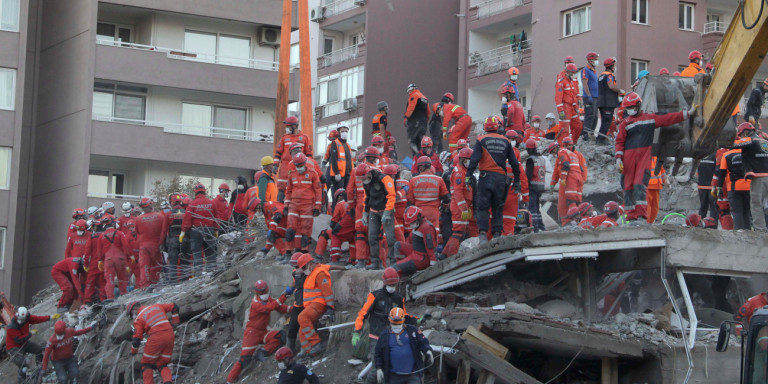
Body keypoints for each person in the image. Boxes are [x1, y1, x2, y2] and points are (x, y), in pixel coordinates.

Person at [615, 92, 692, 224]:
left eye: (631, 107)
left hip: (643, 157)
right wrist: (618, 157)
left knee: (639, 184)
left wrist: (687, 114)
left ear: (639, 105)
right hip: (628, 158)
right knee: (627, 187)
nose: (630, 111)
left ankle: (641, 216)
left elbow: (668, 118)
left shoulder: (649, 119)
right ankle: (631, 216)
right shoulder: (625, 123)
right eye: (627, 108)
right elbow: (619, 141)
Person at [354, 268, 417, 384]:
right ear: (385, 282)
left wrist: (416, 320)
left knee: (390, 368)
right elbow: (363, 313)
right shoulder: (375, 296)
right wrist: (357, 331)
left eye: (394, 284)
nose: (392, 286)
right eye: (390, 284)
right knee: (376, 368)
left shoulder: (398, 298)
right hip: (376, 338)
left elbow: (404, 315)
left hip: (391, 338)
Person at [467, 116, 521, 242]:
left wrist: (468, 175)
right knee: (498, 207)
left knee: (483, 206)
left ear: (485, 127)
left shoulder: (481, 140)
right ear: (497, 127)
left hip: (486, 177)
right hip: (500, 179)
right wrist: (517, 179)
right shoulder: (506, 141)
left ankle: (482, 234)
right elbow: (514, 163)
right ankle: (497, 234)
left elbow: (474, 159)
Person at [226, 280, 289, 384]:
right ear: (257, 292)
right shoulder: (256, 303)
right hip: (252, 334)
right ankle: (229, 381)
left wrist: (291, 308)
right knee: (244, 359)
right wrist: (284, 296)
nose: (264, 294)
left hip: (263, 331)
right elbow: (271, 307)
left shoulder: (267, 298)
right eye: (262, 292)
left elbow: (278, 306)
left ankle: (263, 352)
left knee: (279, 336)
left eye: (265, 291)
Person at [374, 308, 433, 384]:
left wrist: (428, 351)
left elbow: (423, 342)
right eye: (394, 324)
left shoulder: (412, 331)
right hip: (393, 376)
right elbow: (378, 353)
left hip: (412, 374)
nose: (396, 326)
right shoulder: (384, 335)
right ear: (389, 320)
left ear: (403, 320)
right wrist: (379, 368)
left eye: (399, 324)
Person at [127, 301, 180, 384]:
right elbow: (175, 306)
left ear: (134, 310)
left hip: (156, 337)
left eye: (131, 315)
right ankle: (168, 382)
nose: (133, 317)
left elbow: (136, 340)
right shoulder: (157, 306)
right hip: (170, 335)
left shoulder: (139, 318)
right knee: (162, 363)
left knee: (146, 364)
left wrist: (133, 351)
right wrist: (175, 323)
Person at [730, 122, 768, 231]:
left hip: (758, 178)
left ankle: (760, 229)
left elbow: (733, 145)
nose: (741, 137)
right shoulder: (765, 142)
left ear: (746, 132)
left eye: (741, 135)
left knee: (756, 204)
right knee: (766, 205)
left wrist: (719, 142)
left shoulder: (749, 140)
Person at [297, 254, 335, 357]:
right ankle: (308, 351)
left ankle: (316, 344)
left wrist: (330, 308)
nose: (304, 270)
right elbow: (332, 266)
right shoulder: (312, 273)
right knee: (302, 329)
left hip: (319, 304)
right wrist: (344, 267)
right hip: (311, 305)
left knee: (302, 317)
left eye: (304, 267)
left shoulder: (319, 273)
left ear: (310, 263)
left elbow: (327, 291)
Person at [6, 307, 60, 378]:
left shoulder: (27, 318)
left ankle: (39, 368)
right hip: (13, 348)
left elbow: (37, 319)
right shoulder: (11, 327)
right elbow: (18, 339)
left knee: (39, 350)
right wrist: (30, 333)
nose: (22, 321)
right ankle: (22, 379)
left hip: (24, 343)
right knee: (23, 365)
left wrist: (50, 317)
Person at [284, 153, 323, 254]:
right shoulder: (292, 174)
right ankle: (288, 252)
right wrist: (286, 206)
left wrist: (317, 206)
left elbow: (318, 190)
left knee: (306, 230)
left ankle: (305, 253)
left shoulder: (313, 174)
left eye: (301, 165)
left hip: (307, 205)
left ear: (305, 163)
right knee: (290, 230)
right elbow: (288, 191)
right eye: (297, 166)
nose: (299, 168)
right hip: (294, 204)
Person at [408, 156, 450, 246]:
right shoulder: (439, 179)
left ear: (421, 167)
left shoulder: (413, 180)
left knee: (419, 234)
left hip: (419, 213)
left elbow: (410, 200)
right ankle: (434, 254)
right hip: (433, 212)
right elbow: (446, 197)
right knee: (434, 233)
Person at [181, 183, 221, 276]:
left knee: (197, 252)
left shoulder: (192, 204)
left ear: (195, 192)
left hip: (196, 231)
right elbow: (216, 217)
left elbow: (187, 219)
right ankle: (212, 272)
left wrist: (183, 232)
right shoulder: (211, 203)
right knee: (210, 252)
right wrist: (216, 230)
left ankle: (198, 274)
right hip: (209, 230)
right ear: (204, 191)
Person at [443, 148, 476, 257]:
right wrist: (464, 209)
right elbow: (457, 192)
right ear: (461, 159)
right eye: (468, 159)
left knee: (463, 231)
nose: (470, 161)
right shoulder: (459, 172)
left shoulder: (464, 171)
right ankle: (451, 256)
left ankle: (444, 255)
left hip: (463, 205)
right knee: (458, 232)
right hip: (459, 206)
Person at [363, 167, 397, 269]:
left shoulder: (384, 178)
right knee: (372, 237)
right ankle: (375, 263)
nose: (362, 180)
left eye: (363, 177)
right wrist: (365, 213)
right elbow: (367, 198)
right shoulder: (366, 182)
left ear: (369, 173)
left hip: (385, 210)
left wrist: (387, 212)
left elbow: (391, 195)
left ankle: (393, 263)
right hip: (373, 211)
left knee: (390, 239)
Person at [391, 206, 437, 276]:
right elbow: (409, 240)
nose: (411, 224)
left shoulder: (426, 228)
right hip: (415, 253)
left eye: (412, 222)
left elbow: (430, 246)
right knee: (398, 245)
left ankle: (402, 272)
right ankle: (404, 268)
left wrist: (433, 263)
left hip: (422, 259)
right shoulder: (418, 226)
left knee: (395, 268)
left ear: (419, 217)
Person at [95, 215, 131, 301]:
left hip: (108, 260)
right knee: (122, 278)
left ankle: (110, 298)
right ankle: (123, 295)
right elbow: (126, 246)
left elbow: (99, 251)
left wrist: (100, 261)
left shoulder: (101, 236)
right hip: (120, 259)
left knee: (109, 280)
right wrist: (128, 258)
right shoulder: (120, 233)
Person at [276, 116, 312, 198]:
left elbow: (309, 155)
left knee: (297, 185)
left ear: (294, 126)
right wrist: (275, 165)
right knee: (281, 189)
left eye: (288, 126)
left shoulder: (304, 138)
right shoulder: (284, 138)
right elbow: (278, 152)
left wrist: (309, 167)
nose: (287, 128)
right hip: (285, 166)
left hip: (298, 166)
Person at [135, 197, 168, 288]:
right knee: (156, 265)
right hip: (156, 245)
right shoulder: (160, 216)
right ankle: (154, 283)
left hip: (143, 246)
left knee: (144, 266)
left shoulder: (138, 219)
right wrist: (161, 243)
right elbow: (164, 231)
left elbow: (137, 232)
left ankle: (145, 285)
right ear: (150, 204)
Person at [550, 138, 582, 226]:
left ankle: (572, 221)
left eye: (552, 153)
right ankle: (579, 220)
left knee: (570, 201)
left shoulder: (561, 152)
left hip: (570, 178)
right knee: (576, 201)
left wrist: (563, 178)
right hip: (578, 179)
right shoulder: (573, 154)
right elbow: (556, 172)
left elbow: (565, 165)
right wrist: (553, 183)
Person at [502, 130, 529, 235]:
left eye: (514, 139)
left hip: (500, 192)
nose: (512, 141)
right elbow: (521, 175)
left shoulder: (499, 152)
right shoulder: (515, 153)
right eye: (511, 139)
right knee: (509, 223)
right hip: (511, 192)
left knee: (495, 222)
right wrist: (526, 197)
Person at [348, 164, 372, 268]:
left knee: (360, 233)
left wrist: (352, 207)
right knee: (375, 234)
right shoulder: (376, 170)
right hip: (373, 204)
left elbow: (349, 191)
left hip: (359, 206)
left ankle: (361, 262)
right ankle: (375, 262)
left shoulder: (354, 171)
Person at [596, 57, 623, 145]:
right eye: (614, 65)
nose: (615, 67)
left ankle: (600, 138)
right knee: (607, 121)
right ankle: (601, 139)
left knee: (604, 121)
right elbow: (611, 86)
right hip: (608, 102)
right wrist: (620, 90)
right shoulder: (609, 76)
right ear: (611, 66)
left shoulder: (601, 76)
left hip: (601, 102)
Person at [556, 62, 583, 144]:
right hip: (565, 107)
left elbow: (573, 96)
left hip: (572, 107)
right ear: (568, 72)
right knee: (564, 129)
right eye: (574, 73)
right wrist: (561, 110)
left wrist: (577, 108)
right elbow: (558, 97)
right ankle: (563, 147)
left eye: (575, 73)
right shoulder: (562, 81)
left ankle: (572, 144)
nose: (575, 75)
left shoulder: (571, 82)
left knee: (578, 126)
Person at [165, 195, 188, 283]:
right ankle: (184, 280)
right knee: (185, 261)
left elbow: (164, 230)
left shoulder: (169, 213)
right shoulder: (186, 212)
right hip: (185, 239)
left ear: (172, 202)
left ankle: (173, 281)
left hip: (173, 240)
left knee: (173, 261)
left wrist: (163, 244)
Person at [525, 139, 546, 232]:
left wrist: (524, 186)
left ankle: (535, 228)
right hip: (540, 187)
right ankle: (541, 227)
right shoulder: (541, 158)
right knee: (537, 209)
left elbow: (528, 175)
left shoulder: (531, 160)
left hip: (532, 187)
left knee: (532, 209)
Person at [328, 122, 355, 197]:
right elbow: (333, 159)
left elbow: (350, 160)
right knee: (339, 196)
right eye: (342, 131)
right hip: (339, 175)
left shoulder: (347, 145)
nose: (344, 133)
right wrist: (337, 173)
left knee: (347, 195)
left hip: (347, 175)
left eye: (346, 131)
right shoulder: (335, 143)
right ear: (338, 132)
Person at [404, 84, 431, 155]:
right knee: (420, 142)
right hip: (423, 123)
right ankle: (423, 157)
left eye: (409, 91)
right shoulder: (424, 98)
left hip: (414, 122)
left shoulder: (414, 95)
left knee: (411, 141)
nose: (409, 93)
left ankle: (418, 156)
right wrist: (425, 121)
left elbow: (411, 107)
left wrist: (406, 117)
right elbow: (428, 112)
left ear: (412, 90)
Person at [581, 52, 600, 141]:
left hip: (595, 97)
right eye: (595, 59)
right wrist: (589, 95)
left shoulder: (593, 70)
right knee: (589, 116)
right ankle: (585, 134)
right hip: (589, 97)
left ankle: (591, 133)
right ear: (590, 60)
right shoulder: (586, 70)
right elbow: (585, 83)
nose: (597, 61)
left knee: (595, 117)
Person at [697, 152, 719, 220]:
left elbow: (698, 172)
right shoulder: (716, 155)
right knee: (714, 207)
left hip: (701, 186)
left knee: (703, 207)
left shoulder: (700, 155)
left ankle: (700, 224)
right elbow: (718, 170)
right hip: (713, 187)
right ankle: (713, 225)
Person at [646, 157, 667, 224]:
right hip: (648, 185)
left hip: (656, 185)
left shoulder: (657, 155)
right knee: (648, 208)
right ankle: (647, 223)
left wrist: (665, 179)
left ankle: (650, 223)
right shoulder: (645, 154)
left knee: (655, 208)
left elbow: (661, 168)